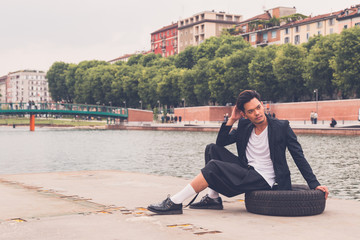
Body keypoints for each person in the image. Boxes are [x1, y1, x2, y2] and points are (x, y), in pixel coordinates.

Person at [147, 90, 329, 215]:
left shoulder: (281, 127)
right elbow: (221, 143)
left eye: (258, 107)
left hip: (266, 179)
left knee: (213, 167)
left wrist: (315, 184)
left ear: (263, 105)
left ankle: (175, 202)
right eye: (251, 111)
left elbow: (299, 156)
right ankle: (213, 199)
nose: (257, 113)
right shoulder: (243, 125)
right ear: (244, 114)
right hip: (247, 169)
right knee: (212, 149)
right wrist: (232, 119)